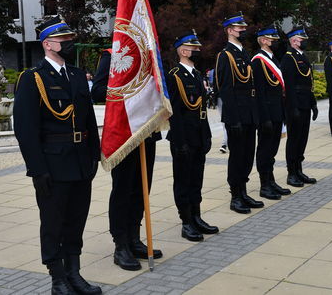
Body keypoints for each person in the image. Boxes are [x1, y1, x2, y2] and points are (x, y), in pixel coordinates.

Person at [14, 16, 102, 295]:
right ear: (48, 44)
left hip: (79, 162)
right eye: (64, 40)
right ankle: (57, 277)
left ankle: (74, 273)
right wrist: (37, 170)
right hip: (53, 164)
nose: (69, 44)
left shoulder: (76, 75)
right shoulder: (33, 78)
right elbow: (25, 129)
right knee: (53, 222)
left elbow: (88, 120)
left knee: (76, 219)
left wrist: (93, 156)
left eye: (70, 39)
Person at [91, 50, 163, 271]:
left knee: (142, 189)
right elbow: (98, 91)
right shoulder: (112, 54)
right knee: (123, 190)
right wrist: (132, 94)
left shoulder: (148, 54)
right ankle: (120, 244)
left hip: (146, 131)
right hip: (124, 132)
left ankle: (134, 238)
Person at [166, 30, 217, 242]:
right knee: (183, 180)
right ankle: (186, 221)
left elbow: (201, 109)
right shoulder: (174, 76)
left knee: (197, 179)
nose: (197, 50)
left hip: (198, 134)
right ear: (183, 50)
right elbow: (174, 112)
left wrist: (206, 135)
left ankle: (196, 216)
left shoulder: (196, 75)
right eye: (193, 48)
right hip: (183, 137)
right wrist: (180, 140)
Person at [215, 12, 262, 214]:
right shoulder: (226, 55)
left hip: (249, 112)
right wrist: (233, 118)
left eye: (244, 27)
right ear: (229, 30)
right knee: (237, 155)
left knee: (248, 154)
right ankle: (235, 195)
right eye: (238, 28)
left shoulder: (244, 53)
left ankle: (243, 191)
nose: (243, 30)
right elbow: (225, 89)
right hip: (236, 115)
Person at [251, 25, 291, 199]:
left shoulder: (274, 58)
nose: (275, 42)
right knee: (265, 149)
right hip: (267, 113)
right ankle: (264, 184)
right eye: (272, 39)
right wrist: (264, 117)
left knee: (273, 149)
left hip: (277, 111)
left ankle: (271, 180)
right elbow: (259, 92)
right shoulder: (258, 61)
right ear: (263, 41)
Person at [281, 26, 318, 187]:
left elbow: (308, 83)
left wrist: (313, 104)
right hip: (295, 105)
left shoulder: (302, 56)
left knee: (302, 139)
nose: (304, 42)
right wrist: (293, 107)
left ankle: (299, 170)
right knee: (294, 139)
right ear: (294, 41)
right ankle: (291, 173)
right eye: (302, 39)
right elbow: (288, 86)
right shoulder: (289, 58)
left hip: (305, 103)